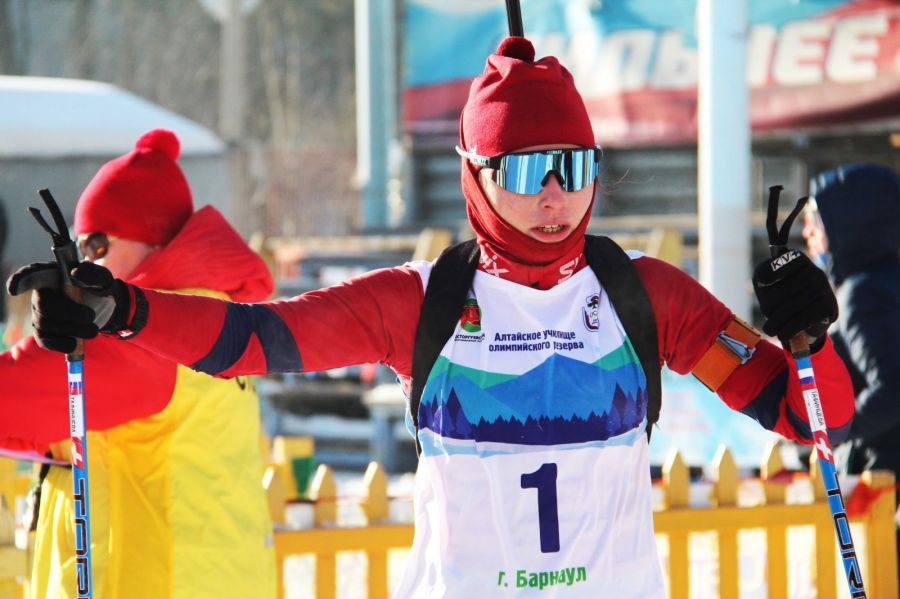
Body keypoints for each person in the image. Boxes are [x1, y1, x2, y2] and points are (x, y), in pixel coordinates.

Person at [12, 39, 853, 598]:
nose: (554, 197)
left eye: (570, 166)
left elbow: (811, 414)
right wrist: (124, 308)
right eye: (523, 172)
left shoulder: (646, 294)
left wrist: (811, 334)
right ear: (473, 174)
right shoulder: (423, 300)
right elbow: (252, 341)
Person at [2, 129, 275, 598]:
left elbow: (10, 403)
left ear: (152, 240)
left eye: (95, 245)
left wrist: (53, 338)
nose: (81, 263)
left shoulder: (144, 336)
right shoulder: (211, 314)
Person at [804, 163, 900, 555]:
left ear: (850, 224)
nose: (807, 231)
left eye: (816, 219)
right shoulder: (884, 281)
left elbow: (892, 385)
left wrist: (838, 430)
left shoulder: (862, 295)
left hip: (883, 484)